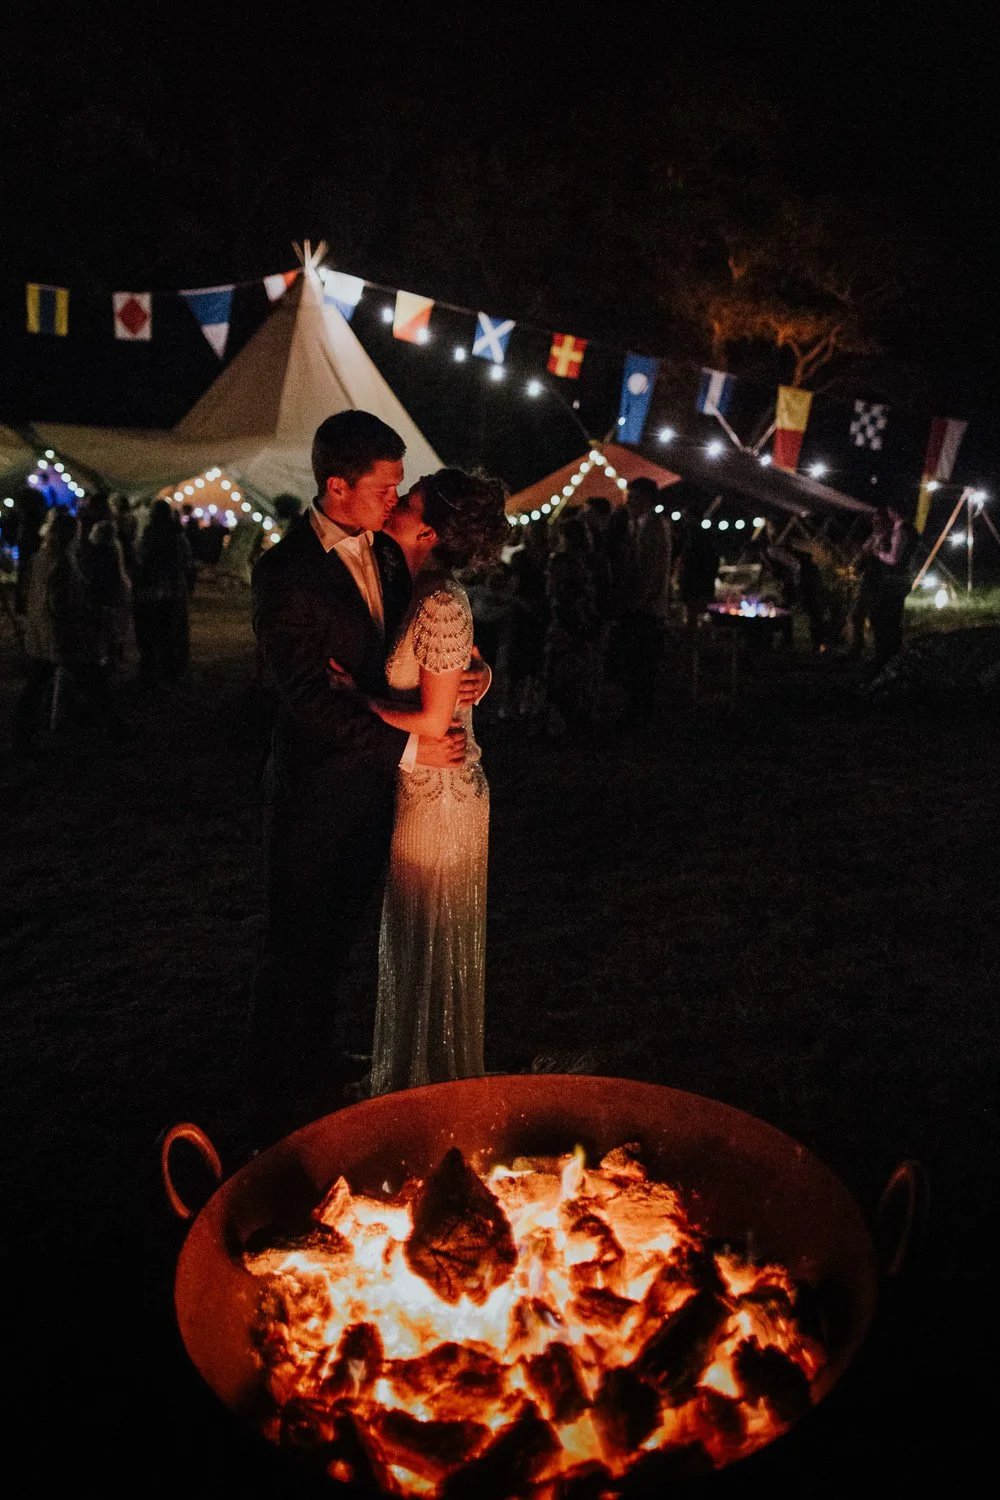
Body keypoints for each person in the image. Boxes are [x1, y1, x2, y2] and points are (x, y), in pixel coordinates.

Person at [249, 413, 489, 1140]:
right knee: (294, 941)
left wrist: (471, 669)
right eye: (386, 487)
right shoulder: (285, 572)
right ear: (337, 485)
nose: (396, 498)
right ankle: (270, 1091)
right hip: (315, 792)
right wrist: (412, 751)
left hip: (373, 793)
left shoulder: (386, 557)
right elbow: (308, 703)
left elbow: (415, 646)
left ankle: (315, 1059)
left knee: (341, 933)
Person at [332, 468, 509, 1095]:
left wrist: (354, 696)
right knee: (416, 935)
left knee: (429, 938)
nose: (394, 504)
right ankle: (410, 1064)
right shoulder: (418, 585)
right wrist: (477, 670)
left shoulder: (438, 599)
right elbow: (445, 676)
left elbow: (433, 722)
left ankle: (426, 1078)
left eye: (405, 501)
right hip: (423, 789)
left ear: (428, 529)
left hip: (441, 796)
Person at [607, 478, 669, 726]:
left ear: (648, 500)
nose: (629, 502)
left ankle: (640, 714)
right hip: (640, 605)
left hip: (646, 608)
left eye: (634, 497)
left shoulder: (654, 528)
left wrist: (637, 602)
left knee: (642, 664)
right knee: (635, 663)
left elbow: (651, 571)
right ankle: (635, 710)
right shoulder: (638, 526)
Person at [132, 499, 191, 686]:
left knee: (150, 631)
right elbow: (186, 558)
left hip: (152, 588)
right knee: (170, 631)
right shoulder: (177, 534)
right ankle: (170, 670)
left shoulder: (150, 534)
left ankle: (150, 671)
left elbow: (141, 557)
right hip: (172, 588)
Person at [868, 504, 918, 666]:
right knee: (891, 618)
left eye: (890, 511)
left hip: (894, 580)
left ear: (894, 512)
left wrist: (878, 553)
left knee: (881, 617)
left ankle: (884, 655)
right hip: (902, 579)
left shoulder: (901, 530)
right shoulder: (910, 530)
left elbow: (894, 559)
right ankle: (891, 655)